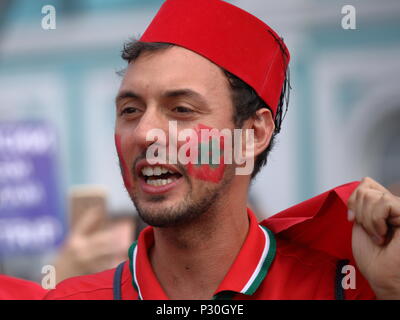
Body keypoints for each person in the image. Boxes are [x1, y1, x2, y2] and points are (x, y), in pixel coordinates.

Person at [44, 0, 400, 300]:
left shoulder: (338, 291)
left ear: (253, 132)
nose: (145, 133)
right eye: (130, 110)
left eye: (181, 109)